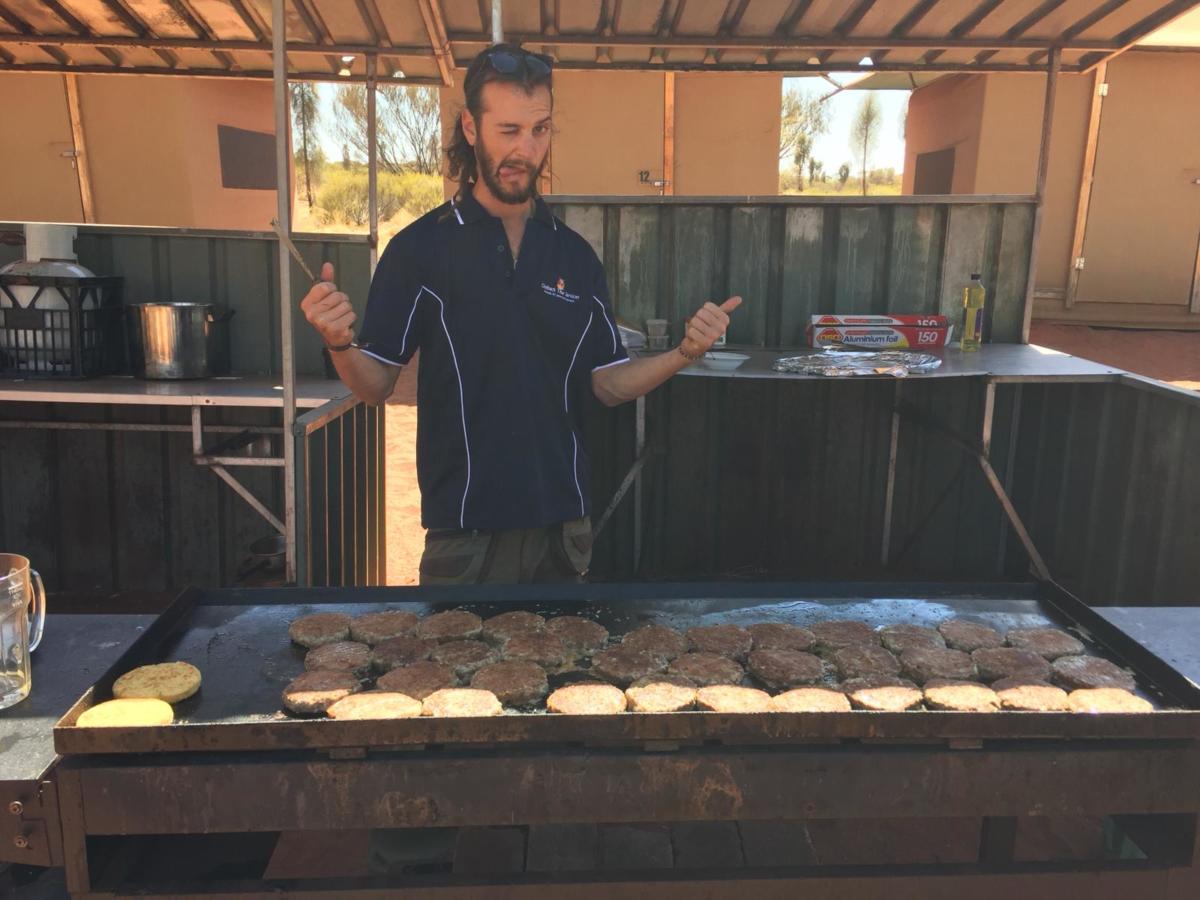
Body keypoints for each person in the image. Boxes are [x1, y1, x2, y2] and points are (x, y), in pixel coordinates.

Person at [301, 44, 741, 585]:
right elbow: (376, 385)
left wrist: (684, 354)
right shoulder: (420, 249)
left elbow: (606, 383)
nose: (525, 149)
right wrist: (339, 343)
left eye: (540, 130)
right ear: (471, 127)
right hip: (464, 537)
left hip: (563, 531)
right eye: (508, 130)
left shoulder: (573, 255)